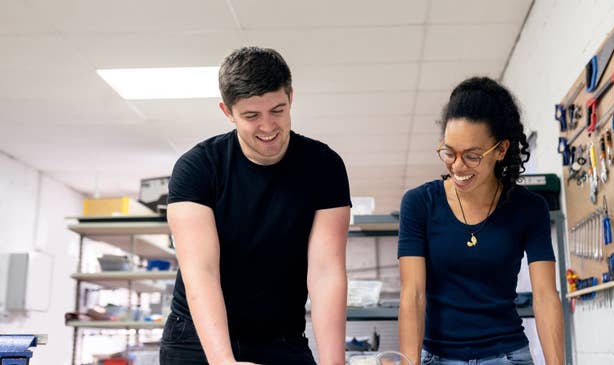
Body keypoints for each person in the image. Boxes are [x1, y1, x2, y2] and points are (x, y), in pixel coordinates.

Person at [160, 47, 351, 365]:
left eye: (278, 110)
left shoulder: (324, 167)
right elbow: (201, 272)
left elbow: (326, 272)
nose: (268, 126)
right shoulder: (198, 168)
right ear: (227, 111)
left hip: (282, 337)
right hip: (198, 338)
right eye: (251, 116)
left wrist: (335, 363)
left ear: (291, 96)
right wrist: (224, 361)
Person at [397, 77, 565, 365]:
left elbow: (546, 296)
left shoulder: (528, 208)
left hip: (508, 355)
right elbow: (413, 294)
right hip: (438, 357)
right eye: (449, 152)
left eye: (472, 156)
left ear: (500, 150)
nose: (457, 166)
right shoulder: (419, 204)